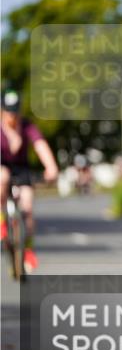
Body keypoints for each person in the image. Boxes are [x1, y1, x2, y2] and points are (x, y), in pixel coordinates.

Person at [0, 88, 59, 272]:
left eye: (15, 111)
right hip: (1, 168)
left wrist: (51, 167)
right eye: (9, 111)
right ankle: (1, 221)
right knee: (3, 176)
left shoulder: (26, 126)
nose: (13, 115)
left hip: (21, 169)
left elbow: (40, 145)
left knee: (27, 205)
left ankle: (28, 249)